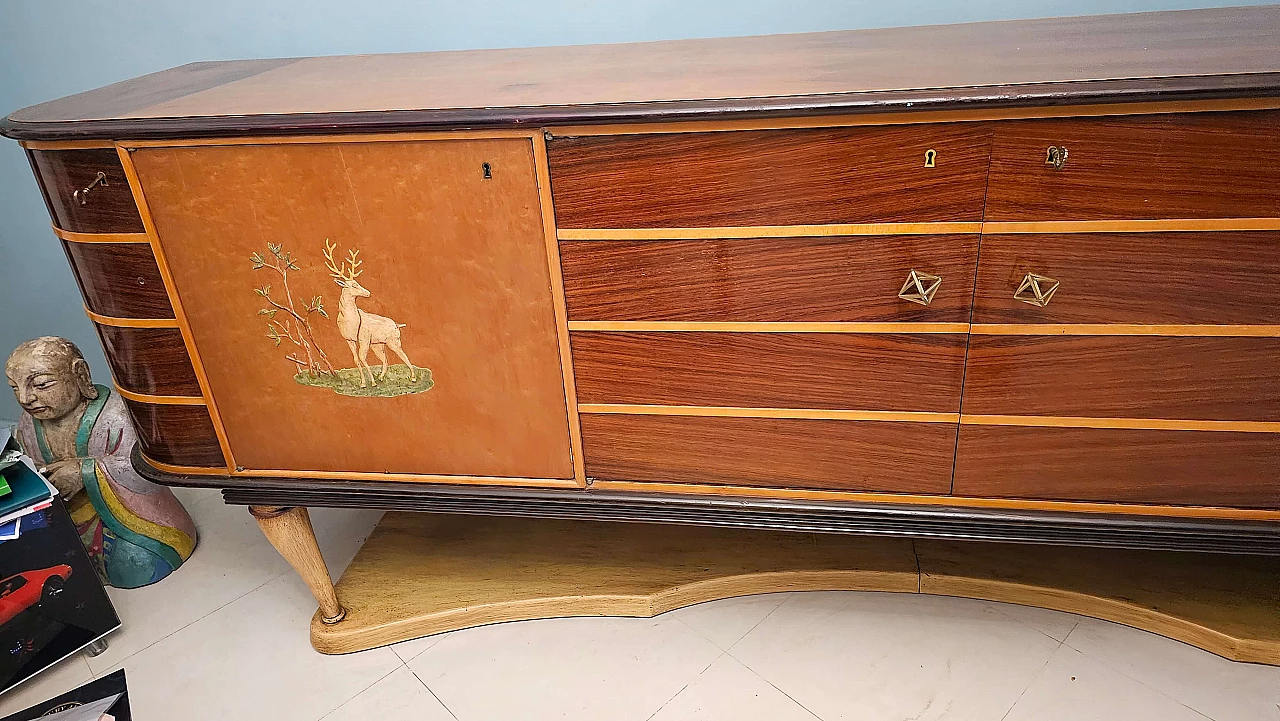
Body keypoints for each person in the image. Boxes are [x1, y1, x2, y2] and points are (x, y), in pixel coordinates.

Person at [6, 337, 197, 588]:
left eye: (41, 384)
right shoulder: (29, 425)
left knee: (135, 566)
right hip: (71, 518)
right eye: (15, 388)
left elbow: (147, 469)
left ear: (80, 375)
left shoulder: (116, 414)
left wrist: (85, 471)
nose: (26, 398)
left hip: (130, 520)